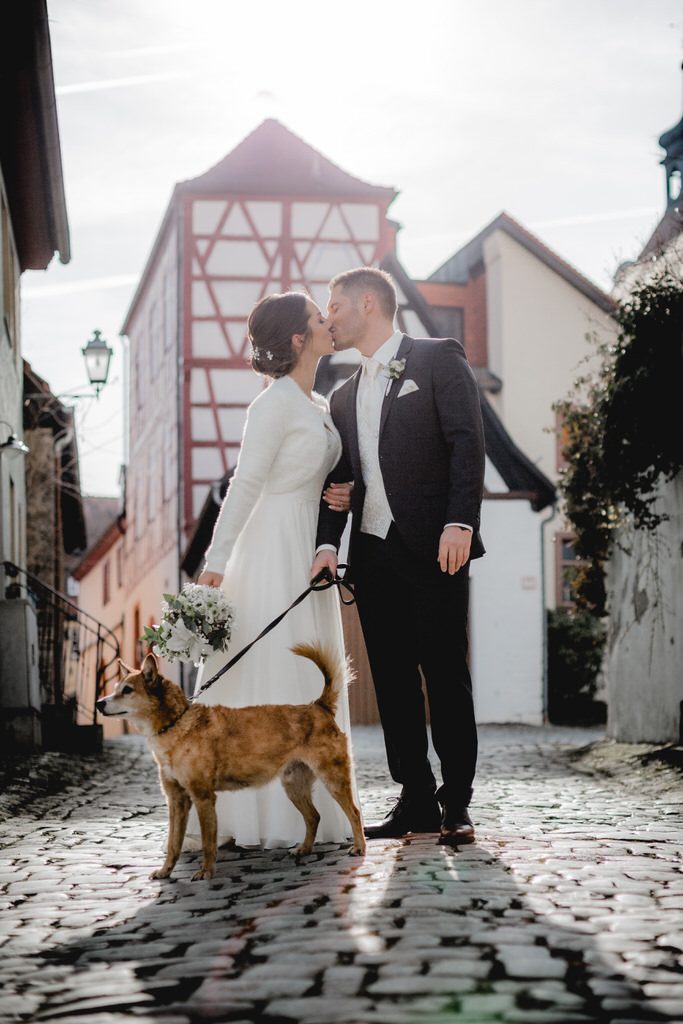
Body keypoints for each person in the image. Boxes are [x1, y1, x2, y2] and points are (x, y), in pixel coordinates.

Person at [312, 266, 486, 846]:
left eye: (333, 305)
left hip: (437, 547)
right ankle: (414, 797)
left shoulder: (437, 358)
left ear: (367, 302)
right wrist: (327, 541)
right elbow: (342, 484)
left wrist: (460, 521)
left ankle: (455, 802)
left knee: (444, 673)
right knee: (390, 681)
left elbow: (467, 440)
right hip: (373, 554)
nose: (327, 316)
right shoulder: (341, 396)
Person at [186, 291, 359, 850]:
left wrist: (343, 494)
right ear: (297, 338)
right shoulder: (274, 403)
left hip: (308, 549)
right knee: (267, 667)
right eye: (318, 318)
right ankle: (253, 818)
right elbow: (244, 486)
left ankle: (313, 809)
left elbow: (328, 474)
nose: (328, 323)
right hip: (268, 550)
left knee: (308, 676)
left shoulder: (320, 405)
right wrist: (216, 563)